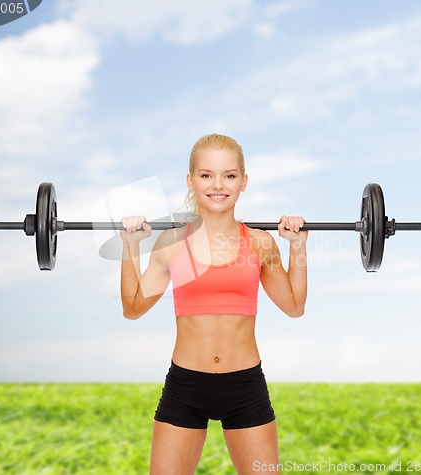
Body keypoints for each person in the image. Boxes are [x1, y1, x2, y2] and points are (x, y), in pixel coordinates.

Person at [120, 134, 307, 475]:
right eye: (206, 175)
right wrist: (130, 246)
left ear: (243, 181)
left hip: (244, 386)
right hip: (186, 386)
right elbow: (133, 309)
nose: (217, 185)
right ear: (190, 180)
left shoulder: (261, 243)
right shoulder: (172, 242)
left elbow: (294, 306)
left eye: (229, 175)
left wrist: (297, 246)